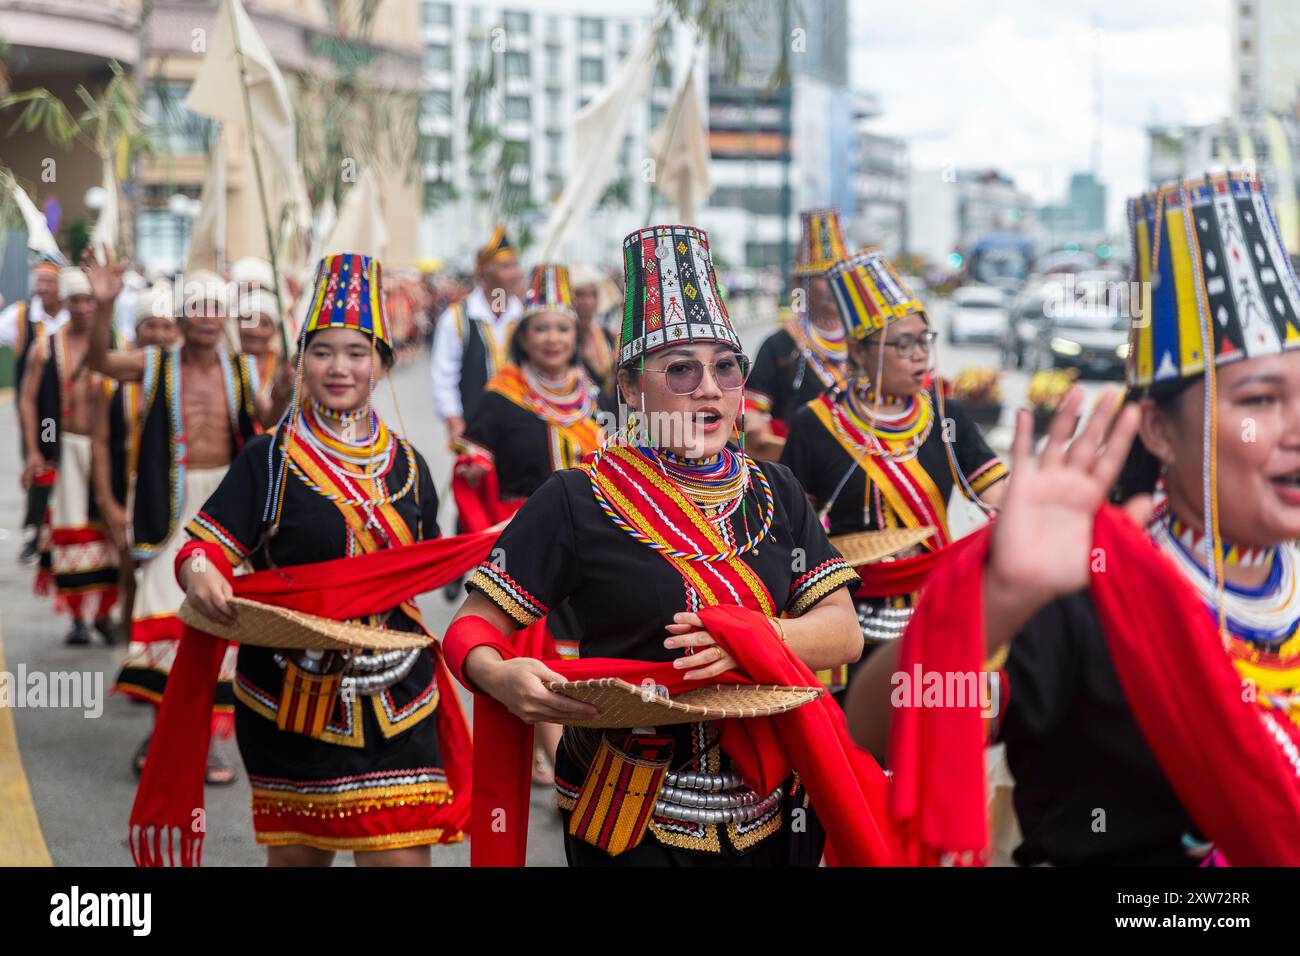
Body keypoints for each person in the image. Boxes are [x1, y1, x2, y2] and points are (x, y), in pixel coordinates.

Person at [847, 169, 1300, 867]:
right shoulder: (1092, 591)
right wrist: (998, 600)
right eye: (1261, 401)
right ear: (1160, 430)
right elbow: (883, 725)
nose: (1294, 427)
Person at [444, 225, 887, 867]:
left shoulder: (776, 489)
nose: (708, 387)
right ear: (629, 389)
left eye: (725, 368)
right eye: (680, 368)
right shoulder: (577, 498)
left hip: (771, 807)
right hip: (629, 814)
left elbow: (842, 632)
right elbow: (471, 630)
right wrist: (500, 676)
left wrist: (754, 638)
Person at [175, 252, 469, 865]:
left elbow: (421, 565)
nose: (340, 367)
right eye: (324, 351)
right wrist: (201, 573)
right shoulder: (270, 460)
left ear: (383, 364)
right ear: (300, 363)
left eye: (357, 353)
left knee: (400, 859)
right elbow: (205, 547)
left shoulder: (411, 466)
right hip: (290, 699)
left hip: (399, 697)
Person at [87, 262, 288, 782]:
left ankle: (205, 743)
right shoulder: (154, 363)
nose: (204, 317)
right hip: (165, 508)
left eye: (213, 307)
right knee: (166, 615)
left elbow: (268, 417)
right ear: (180, 313)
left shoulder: (242, 370)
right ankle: (163, 733)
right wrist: (105, 304)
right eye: (195, 306)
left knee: (220, 616)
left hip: (225, 508)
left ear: (224, 315)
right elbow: (99, 360)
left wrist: (288, 388)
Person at [781, 247, 1007, 694]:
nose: (920, 355)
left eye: (925, 340)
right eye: (903, 344)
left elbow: (995, 493)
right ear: (860, 353)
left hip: (936, 607)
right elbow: (791, 531)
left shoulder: (948, 415)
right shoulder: (816, 424)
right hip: (853, 613)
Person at [454, 262, 608, 783]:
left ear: (576, 334)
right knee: (532, 647)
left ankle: (578, 751)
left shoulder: (599, 398)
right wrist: (476, 475)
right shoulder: (501, 396)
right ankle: (567, 761)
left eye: (562, 327)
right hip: (522, 542)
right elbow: (471, 466)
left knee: (579, 647)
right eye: (541, 327)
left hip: (593, 539)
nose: (552, 338)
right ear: (523, 335)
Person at [19, 267, 119, 644]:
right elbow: (30, 402)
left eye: (89, 300)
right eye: (75, 300)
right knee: (71, 531)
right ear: (65, 303)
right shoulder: (47, 346)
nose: (82, 308)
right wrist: (37, 450)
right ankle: (78, 616)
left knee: (109, 534)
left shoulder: (116, 343)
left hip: (107, 450)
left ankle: (106, 613)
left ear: (98, 303)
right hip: (64, 445)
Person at [91, 282, 179, 643]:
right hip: (127, 491)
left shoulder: (186, 376)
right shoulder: (113, 381)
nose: (158, 334)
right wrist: (107, 504)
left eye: (166, 326)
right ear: (137, 329)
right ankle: (133, 652)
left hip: (173, 491)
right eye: (149, 326)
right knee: (130, 574)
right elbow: (97, 442)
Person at [744, 209, 853, 460]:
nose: (835, 285)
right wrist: (755, 424)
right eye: (825, 277)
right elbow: (753, 405)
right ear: (801, 284)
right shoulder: (780, 345)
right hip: (799, 466)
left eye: (841, 276)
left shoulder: (868, 341)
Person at [430, 226, 524, 447]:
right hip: (474, 430)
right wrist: (455, 423)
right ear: (483, 273)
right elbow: (444, 376)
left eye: (514, 266)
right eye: (505, 267)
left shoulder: (525, 317)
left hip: (520, 429)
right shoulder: (457, 318)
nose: (514, 274)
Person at [1, 257, 67, 563]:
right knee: (43, 463)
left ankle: (61, 529)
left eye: (49, 282)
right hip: (45, 415)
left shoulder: (73, 316)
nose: (42, 287)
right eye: (38, 281)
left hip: (73, 410)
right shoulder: (21, 316)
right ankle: (37, 528)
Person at [569, 263, 616, 398]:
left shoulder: (609, 337)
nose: (588, 302)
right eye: (580, 295)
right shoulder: (562, 344)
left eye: (593, 295)